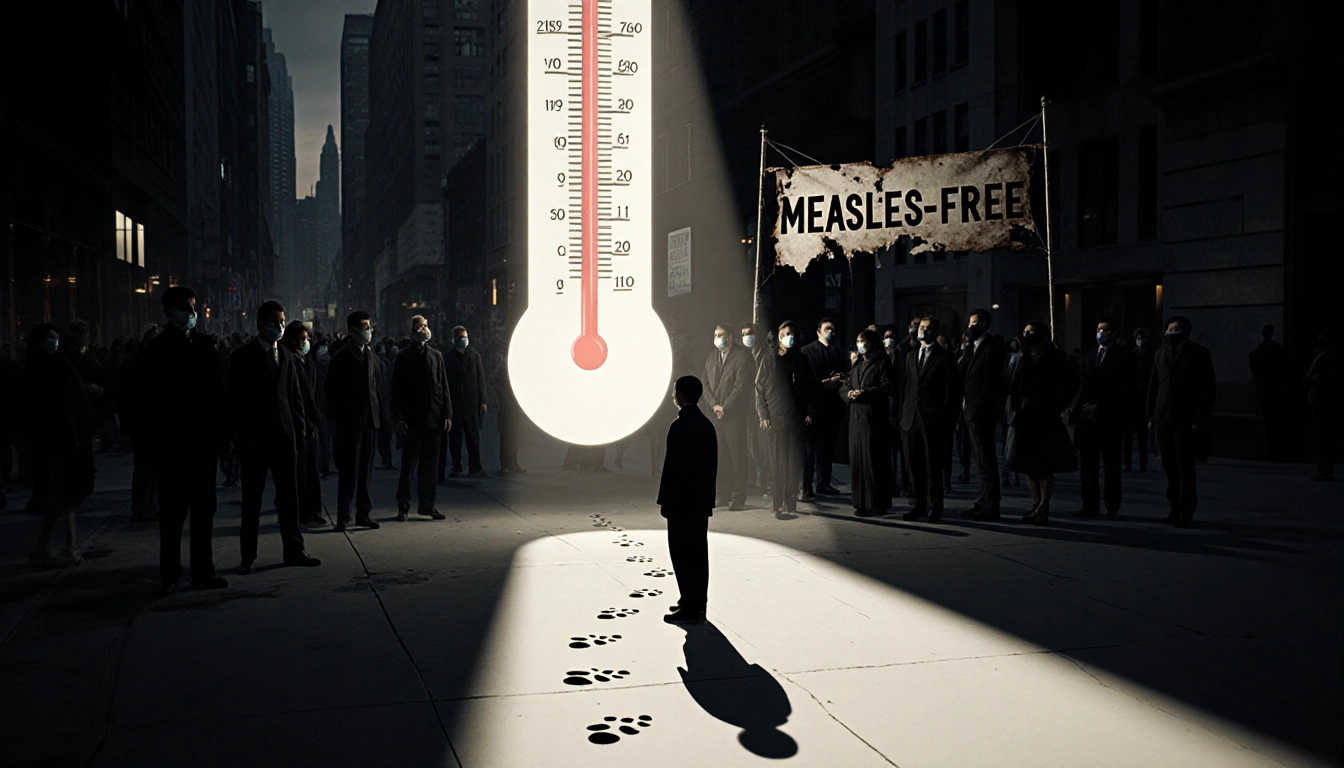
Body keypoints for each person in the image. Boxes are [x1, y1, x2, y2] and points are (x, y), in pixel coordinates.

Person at [130, 286, 232, 592]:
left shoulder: (204, 346)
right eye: (185, 308)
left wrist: (224, 435)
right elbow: (145, 404)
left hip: (203, 444)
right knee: (173, 514)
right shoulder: (155, 351)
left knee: (204, 511)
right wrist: (155, 448)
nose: (191, 313)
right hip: (172, 447)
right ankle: (170, 572)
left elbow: (219, 395)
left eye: (193, 307)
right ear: (169, 311)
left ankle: (203, 570)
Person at [228, 301, 320, 571]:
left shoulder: (288, 357)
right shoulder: (243, 355)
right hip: (255, 440)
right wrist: (240, 437)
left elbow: (294, 397)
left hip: (285, 437)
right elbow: (235, 399)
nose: (280, 326)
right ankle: (248, 556)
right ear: (260, 325)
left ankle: (294, 550)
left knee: (289, 498)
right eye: (274, 322)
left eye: (282, 321)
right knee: (252, 500)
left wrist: (300, 427)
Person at [22, 324, 96, 566]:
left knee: (62, 497)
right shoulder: (58, 366)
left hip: (49, 441)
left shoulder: (34, 367)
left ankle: (63, 545)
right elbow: (72, 404)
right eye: (49, 338)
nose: (53, 341)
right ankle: (61, 546)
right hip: (62, 441)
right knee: (64, 495)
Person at [657, 375, 717, 625]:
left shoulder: (678, 426)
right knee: (698, 553)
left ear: (679, 395)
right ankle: (695, 601)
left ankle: (689, 605)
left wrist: (665, 501)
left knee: (681, 553)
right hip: (700, 501)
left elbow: (671, 469)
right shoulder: (706, 425)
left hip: (681, 502)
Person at [1147, 316, 1217, 528]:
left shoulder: (1199, 353)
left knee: (1185, 467)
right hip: (1163, 417)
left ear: (1185, 332)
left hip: (1185, 420)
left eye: (1174, 330)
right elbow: (1154, 386)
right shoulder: (1160, 353)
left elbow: (1208, 390)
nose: (1170, 334)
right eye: (1168, 330)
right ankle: (1174, 508)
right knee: (1169, 467)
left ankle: (1187, 511)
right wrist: (1151, 416)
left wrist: (1199, 419)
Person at [1007, 319, 1077, 526]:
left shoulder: (1054, 356)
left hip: (1044, 415)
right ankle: (1035, 504)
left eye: (1031, 332)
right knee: (1028, 463)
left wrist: (1057, 406)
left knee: (1044, 463)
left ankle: (1043, 506)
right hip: (1024, 413)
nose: (1026, 335)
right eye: (1025, 331)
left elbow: (1068, 384)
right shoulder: (1023, 355)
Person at [325, 311, 383, 532]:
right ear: (353, 331)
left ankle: (363, 513)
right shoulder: (340, 358)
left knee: (366, 472)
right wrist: (342, 415)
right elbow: (330, 391)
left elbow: (378, 388)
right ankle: (343, 515)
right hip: (350, 424)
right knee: (349, 472)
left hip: (370, 421)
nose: (369, 331)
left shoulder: (372, 356)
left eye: (369, 326)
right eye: (365, 327)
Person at [391, 315, 453, 521]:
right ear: (412, 332)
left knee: (430, 465)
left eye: (426, 326)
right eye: (420, 327)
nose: (424, 330)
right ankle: (404, 505)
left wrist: (447, 413)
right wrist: (398, 417)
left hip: (434, 419)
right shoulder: (403, 356)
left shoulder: (436, 355)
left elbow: (443, 387)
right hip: (412, 419)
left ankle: (428, 505)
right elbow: (396, 390)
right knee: (409, 465)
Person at [1071, 318, 1133, 519]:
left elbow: (1123, 387)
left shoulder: (1123, 356)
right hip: (1087, 418)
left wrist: (1100, 406)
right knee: (1088, 465)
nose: (1100, 333)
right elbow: (1082, 385)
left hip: (1110, 418)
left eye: (1104, 330)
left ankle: (1112, 506)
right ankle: (1089, 505)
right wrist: (1077, 409)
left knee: (1111, 465)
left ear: (1114, 333)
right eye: (1098, 329)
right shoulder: (1089, 356)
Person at [901, 316, 959, 522]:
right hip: (911, 418)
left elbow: (951, 392)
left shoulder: (945, 357)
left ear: (935, 331)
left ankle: (935, 507)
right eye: (920, 327)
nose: (921, 330)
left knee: (933, 465)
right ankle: (918, 505)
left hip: (933, 419)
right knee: (913, 465)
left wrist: (945, 419)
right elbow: (908, 387)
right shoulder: (911, 356)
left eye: (926, 328)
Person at [756, 321, 815, 517]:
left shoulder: (801, 359)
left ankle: (791, 502)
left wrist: (809, 412)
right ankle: (777, 501)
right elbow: (759, 390)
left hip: (796, 418)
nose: (790, 337)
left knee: (793, 462)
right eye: (786, 333)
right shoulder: (769, 360)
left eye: (793, 334)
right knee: (777, 462)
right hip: (775, 418)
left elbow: (809, 388)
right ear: (779, 337)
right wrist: (763, 415)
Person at [957, 309, 1007, 521]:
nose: (970, 327)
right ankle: (984, 499)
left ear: (985, 325)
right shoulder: (974, 349)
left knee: (986, 461)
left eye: (975, 323)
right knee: (980, 461)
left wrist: (975, 407)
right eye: (970, 322)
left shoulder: (991, 349)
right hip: (971, 411)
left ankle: (991, 504)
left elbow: (990, 384)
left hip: (981, 413)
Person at [843, 328, 895, 517]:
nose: (860, 344)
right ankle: (861, 503)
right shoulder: (857, 365)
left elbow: (887, 386)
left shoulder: (882, 363)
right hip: (856, 420)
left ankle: (877, 503)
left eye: (863, 341)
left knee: (873, 463)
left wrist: (866, 393)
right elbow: (846, 385)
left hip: (873, 420)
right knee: (858, 463)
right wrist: (848, 394)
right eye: (858, 340)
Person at [703, 323, 753, 510]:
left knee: (738, 457)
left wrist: (725, 406)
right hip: (715, 416)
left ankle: (738, 497)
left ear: (730, 336)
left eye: (721, 335)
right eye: (715, 335)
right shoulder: (712, 358)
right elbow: (705, 383)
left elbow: (741, 386)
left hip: (734, 416)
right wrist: (714, 405)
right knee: (719, 457)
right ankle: (721, 495)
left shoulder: (743, 357)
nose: (718, 338)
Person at [282, 321, 327, 527]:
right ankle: (300, 512)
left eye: (306, 339)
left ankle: (313, 510)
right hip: (297, 425)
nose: (305, 342)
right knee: (299, 473)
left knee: (312, 470)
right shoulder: (288, 362)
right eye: (301, 340)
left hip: (311, 423)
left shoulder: (307, 362)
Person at [800, 318, 848, 499]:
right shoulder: (808, 352)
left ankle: (824, 483)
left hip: (832, 407)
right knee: (809, 450)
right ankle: (806, 487)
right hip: (814, 406)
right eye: (828, 329)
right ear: (818, 331)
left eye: (834, 330)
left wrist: (841, 379)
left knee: (827, 449)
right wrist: (823, 383)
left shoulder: (837, 352)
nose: (832, 332)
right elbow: (806, 380)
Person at [444, 325, 487, 478]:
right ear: (454, 339)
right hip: (455, 403)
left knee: (473, 436)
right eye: (461, 337)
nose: (464, 340)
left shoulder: (474, 355)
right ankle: (456, 466)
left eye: (465, 336)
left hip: (471, 402)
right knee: (455, 437)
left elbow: (480, 379)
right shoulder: (448, 357)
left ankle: (475, 466)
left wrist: (483, 400)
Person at [1305, 333, 1341, 481]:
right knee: (1329, 435)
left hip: (1319, 399)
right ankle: (1328, 469)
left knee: (1321, 435)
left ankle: (1323, 470)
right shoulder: (1336, 357)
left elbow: (1307, 378)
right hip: (1332, 399)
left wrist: (1313, 381)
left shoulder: (1320, 358)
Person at [1247, 324, 1286, 462]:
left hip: (1265, 388)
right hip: (1272, 388)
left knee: (1268, 420)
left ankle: (1271, 450)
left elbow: (1252, 362)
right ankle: (1273, 450)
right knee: (1273, 420)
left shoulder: (1260, 350)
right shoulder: (1274, 349)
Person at [740, 323, 770, 495]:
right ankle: (756, 476)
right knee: (751, 443)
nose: (747, 337)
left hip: (760, 403)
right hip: (747, 405)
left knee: (762, 443)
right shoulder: (742, 354)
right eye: (744, 334)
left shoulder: (764, 353)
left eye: (749, 334)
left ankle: (765, 479)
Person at [1125, 328, 1155, 472]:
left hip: (1142, 400)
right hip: (1131, 399)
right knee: (1129, 435)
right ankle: (1128, 462)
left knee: (1141, 435)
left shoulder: (1150, 355)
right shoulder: (1131, 354)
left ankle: (1142, 463)